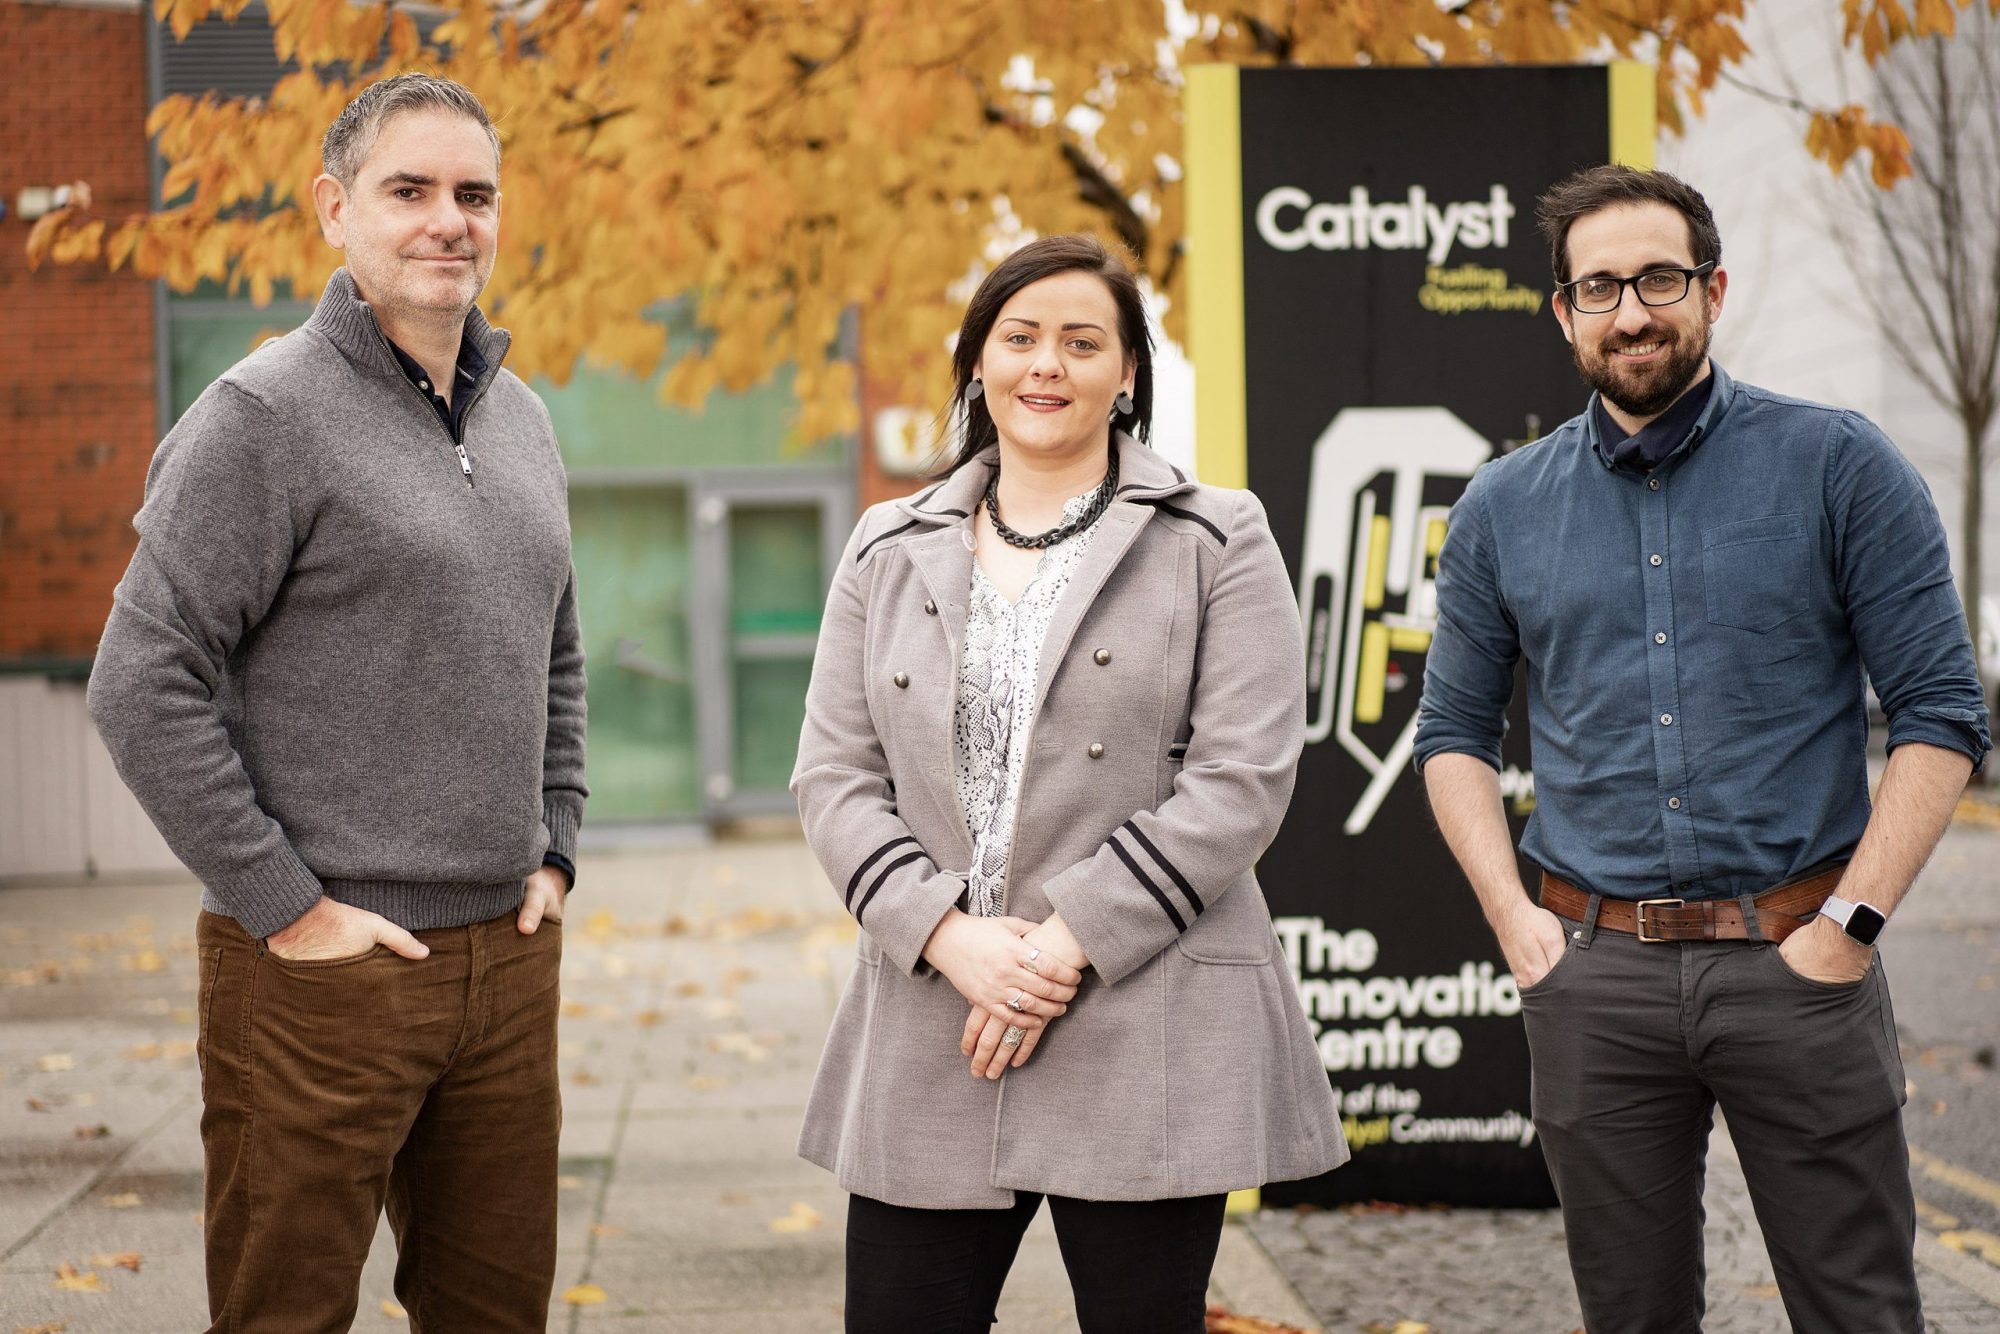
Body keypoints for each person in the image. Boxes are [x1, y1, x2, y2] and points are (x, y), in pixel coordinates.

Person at [1415, 164, 1990, 1333]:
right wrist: (1514, 924)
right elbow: (1451, 735)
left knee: (1860, 1312)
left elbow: (1938, 709)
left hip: (1800, 958)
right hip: (1592, 974)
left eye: (1659, 278)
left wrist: (1851, 927)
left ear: (1711, 289)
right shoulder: (1498, 506)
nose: (1632, 311)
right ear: (1562, 311)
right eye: (1600, 286)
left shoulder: (1837, 465)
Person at [86, 74, 586, 1332]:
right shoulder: (261, 416)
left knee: (496, 1315)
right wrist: (291, 911)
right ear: (333, 209)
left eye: (473, 195)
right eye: (407, 190)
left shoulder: (522, 420)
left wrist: (556, 847)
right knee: (285, 1313)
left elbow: (556, 648)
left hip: (506, 965)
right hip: (317, 977)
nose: (447, 221)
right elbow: (140, 681)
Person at [791, 233, 1345, 1331]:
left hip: (1146, 1006)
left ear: (1128, 372)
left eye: (1081, 342)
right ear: (977, 361)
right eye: (1020, 337)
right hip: (933, 1010)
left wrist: (1056, 946)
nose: (1047, 364)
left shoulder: (1216, 536)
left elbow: (1241, 776)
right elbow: (832, 774)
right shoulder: (884, 543)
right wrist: (949, 935)